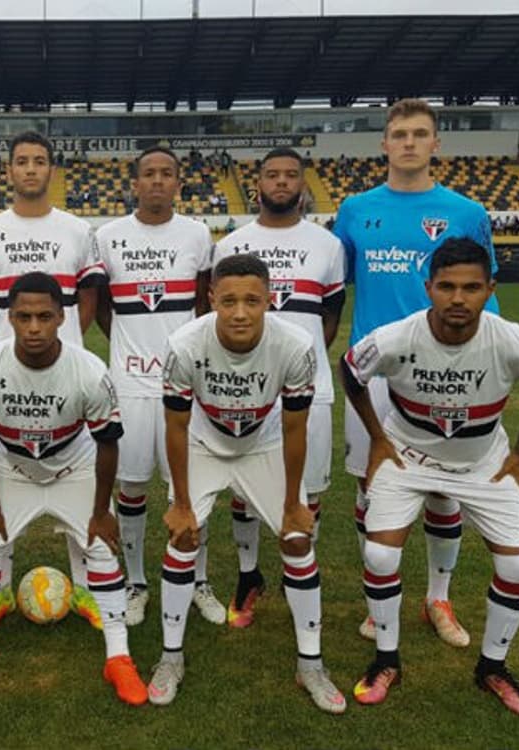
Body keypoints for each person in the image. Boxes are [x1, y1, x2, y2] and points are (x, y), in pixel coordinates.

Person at [343, 237, 519, 718]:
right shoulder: (397, 337)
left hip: (485, 461)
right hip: (406, 457)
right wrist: (378, 439)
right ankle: (385, 659)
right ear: (428, 288)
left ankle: (492, 668)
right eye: (446, 287)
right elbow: (351, 370)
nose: (458, 299)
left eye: (471, 287)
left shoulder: (513, 340)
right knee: (380, 552)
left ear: (490, 289)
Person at [333, 98, 499, 649]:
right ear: (384, 144)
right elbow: (338, 285)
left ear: (436, 144)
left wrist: (486, 365)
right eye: (399, 134)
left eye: (419, 133)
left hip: (443, 369)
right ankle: (378, 598)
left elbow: (484, 297)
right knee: (371, 483)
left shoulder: (467, 212)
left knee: (445, 490)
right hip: (375, 371)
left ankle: (439, 596)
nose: (408, 142)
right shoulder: (355, 210)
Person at [0, 273, 147, 706]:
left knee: (101, 547)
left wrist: (101, 510)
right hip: (11, 468)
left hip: (75, 466)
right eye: (25, 317)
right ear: (8, 318)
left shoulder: (89, 369)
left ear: (61, 318)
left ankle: (119, 658)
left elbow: (108, 444)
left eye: (45, 317)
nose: (34, 327)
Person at [146, 253, 345, 713]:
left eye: (252, 300)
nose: (240, 312)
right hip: (203, 444)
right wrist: (179, 502)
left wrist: (295, 501)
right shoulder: (183, 344)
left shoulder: (295, 346)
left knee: (297, 540)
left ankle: (311, 664)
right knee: (182, 537)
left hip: (263, 445)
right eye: (229, 300)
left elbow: (296, 428)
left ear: (269, 300)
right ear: (211, 298)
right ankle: (170, 657)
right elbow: (175, 426)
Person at [0, 131, 106, 629]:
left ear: (51, 170)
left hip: (66, 373)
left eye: (39, 161)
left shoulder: (77, 229)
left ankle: (87, 590)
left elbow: (88, 297)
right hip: (10, 375)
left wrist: (69, 345)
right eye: (21, 161)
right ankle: (0, 591)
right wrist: (6, 343)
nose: (30, 169)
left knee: (78, 471)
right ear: (9, 170)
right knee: (3, 474)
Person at [212, 147, 345, 629]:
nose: (282, 182)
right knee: (244, 488)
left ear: (303, 183)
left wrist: (300, 360)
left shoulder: (328, 246)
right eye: (273, 175)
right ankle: (249, 576)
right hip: (243, 389)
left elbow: (331, 315)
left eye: (292, 175)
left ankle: (298, 569)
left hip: (311, 387)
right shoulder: (231, 244)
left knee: (308, 488)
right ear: (258, 184)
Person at [92, 147, 217, 627]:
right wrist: (129, 348)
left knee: (189, 489)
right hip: (129, 382)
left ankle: (199, 578)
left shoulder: (197, 234)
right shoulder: (108, 237)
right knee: (132, 484)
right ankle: (137, 581)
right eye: (150, 174)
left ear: (179, 182)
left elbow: (205, 303)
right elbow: (103, 307)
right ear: (135, 183)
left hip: (184, 383)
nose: (158, 181)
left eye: (167, 174)